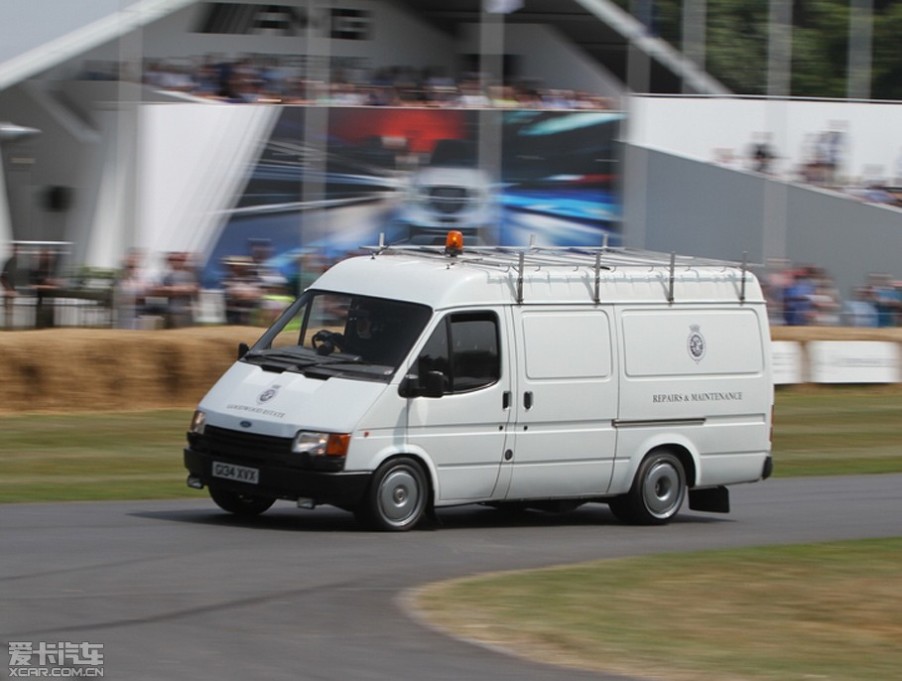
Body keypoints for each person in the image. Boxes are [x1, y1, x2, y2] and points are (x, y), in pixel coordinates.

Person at [1, 243, 21, 329]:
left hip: (15, 290)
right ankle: (8, 328)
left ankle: (9, 328)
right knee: (9, 312)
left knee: (11, 312)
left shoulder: (19, 263)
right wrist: (8, 289)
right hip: (10, 291)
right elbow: (2, 277)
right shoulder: (9, 263)